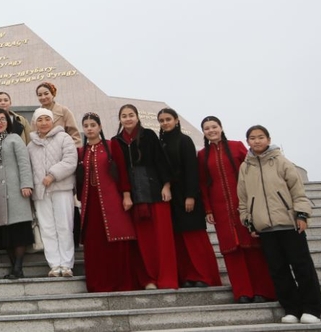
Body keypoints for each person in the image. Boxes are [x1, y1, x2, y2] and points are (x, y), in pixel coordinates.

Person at [238, 125, 321, 325]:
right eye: (252, 138)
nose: (257, 141)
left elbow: (297, 190)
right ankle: (291, 309)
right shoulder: (245, 167)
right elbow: (242, 198)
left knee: (302, 267)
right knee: (278, 270)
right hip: (265, 229)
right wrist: (249, 221)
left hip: (289, 224)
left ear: (268, 139)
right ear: (247, 141)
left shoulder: (281, 161)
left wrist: (302, 214)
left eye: (260, 137)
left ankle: (312, 308)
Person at [198, 116, 274, 304]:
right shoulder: (201, 155)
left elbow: (251, 172)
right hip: (220, 207)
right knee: (231, 251)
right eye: (207, 128)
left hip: (243, 204)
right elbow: (203, 184)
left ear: (221, 127)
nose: (211, 130)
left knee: (253, 247)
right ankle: (242, 291)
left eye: (214, 126)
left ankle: (262, 290)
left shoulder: (236, 146)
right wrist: (208, 209)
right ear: (204, 132)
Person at [113, 104, 177, 290]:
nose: (128, 119)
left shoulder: (148, 135)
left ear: (137, 116)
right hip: (133, 195)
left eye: (131, 115)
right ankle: (148, 279)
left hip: (155, 190)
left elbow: (161, 160)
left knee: (162, 239)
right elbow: (120, 171)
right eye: (124, 116)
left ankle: (166, 278)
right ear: (120, 119)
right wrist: (126, 195)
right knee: (143, 242)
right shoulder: (117, 141)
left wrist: (166, 185)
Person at [157, 108, 221, 289]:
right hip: (171, 197)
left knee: (194, 238)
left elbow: (192, 170)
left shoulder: (184, 141)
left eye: (168, 119)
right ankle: (187, 276)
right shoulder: (161, 143)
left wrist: (191, 196)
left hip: (187, 194)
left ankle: (204, 275)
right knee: (179, 239)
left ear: (176, 120)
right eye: (161, 120)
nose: (165, 123)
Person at [77, 112, 140, 292]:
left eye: (93, 125)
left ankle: (121, 283)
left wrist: (127, 195)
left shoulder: (112, 146)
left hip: (112, 200)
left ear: (100, 127)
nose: (89, 128)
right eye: (86, 126)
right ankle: (99, 284)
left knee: (117, 239)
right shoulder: (82, 151)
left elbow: (123, 171)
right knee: (95, 243)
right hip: (91, 202)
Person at [0, 108, 34, 279]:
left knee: (19, 231)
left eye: (3, 119)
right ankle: (14, 267)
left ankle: (18, 267)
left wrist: (26, 184)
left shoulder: (15, 139)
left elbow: (24, 163)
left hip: (17, 191)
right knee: (6, 233)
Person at [27, 107, 77, 277]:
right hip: (41, 193)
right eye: (39, 120)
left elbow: (70, 161)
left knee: (64, 226)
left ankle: (67, 264)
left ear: (52, 121)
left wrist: (52, 175)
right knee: (47, 228)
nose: (43, 123)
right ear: (34, 123)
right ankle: (54, 264)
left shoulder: (64, 138)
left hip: (61, 189)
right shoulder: (30, 145)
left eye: (46, 119)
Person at [35, 83, 80, 147]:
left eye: (46, 93)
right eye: (40, 95)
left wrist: (69, 152)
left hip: (63, 152)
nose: (43, 97)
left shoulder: (64, 111)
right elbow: (34, 136)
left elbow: (75, 137)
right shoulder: (36, 114)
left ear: (53, 94)